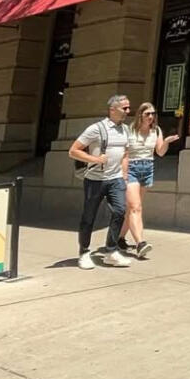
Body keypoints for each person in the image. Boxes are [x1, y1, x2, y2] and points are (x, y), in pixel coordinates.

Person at [69, 95, 131, 269]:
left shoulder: (126, 130)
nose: (128, 111)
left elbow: (126, 153)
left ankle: (111, 251)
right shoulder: (96, 129)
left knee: (120, 211)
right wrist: (95, 159)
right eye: (124, 108)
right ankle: (84, 252)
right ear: (112, 109)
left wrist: (124, 176)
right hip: (95, 180)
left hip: (116, 179)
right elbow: (73, 151)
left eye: (128, 108)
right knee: (89, 216)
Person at [118, 102, 180, 260]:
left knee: (133, 208)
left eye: (153, 114)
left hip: (147, 169)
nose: (151, 117)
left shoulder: (156, 130)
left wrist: (166, 142)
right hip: (131, 168)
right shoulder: (129, 130)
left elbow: (159, 152)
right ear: (140, 115)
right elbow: (124, 154)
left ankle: (119, 239)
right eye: (147, 114)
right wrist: (124, 176)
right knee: (135, 207)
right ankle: (140, 243)